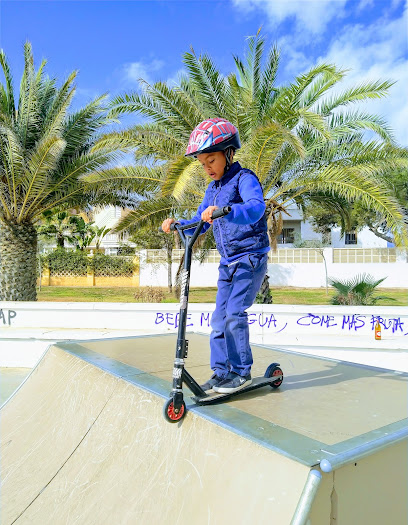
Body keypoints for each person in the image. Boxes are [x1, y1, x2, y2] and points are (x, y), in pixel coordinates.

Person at [161, 118, 270, 394]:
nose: (207, 167)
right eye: (202, 162)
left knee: (234, 313)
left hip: (250, 258)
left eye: (211, 160)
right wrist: (178, 223)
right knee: (219, 319)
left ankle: (241, 373)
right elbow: (201, 220)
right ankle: (222, 372)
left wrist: (230, 211)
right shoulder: (213, 189)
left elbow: (256, 208)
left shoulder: (245, 179)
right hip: (228, 262)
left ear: (228, 153)